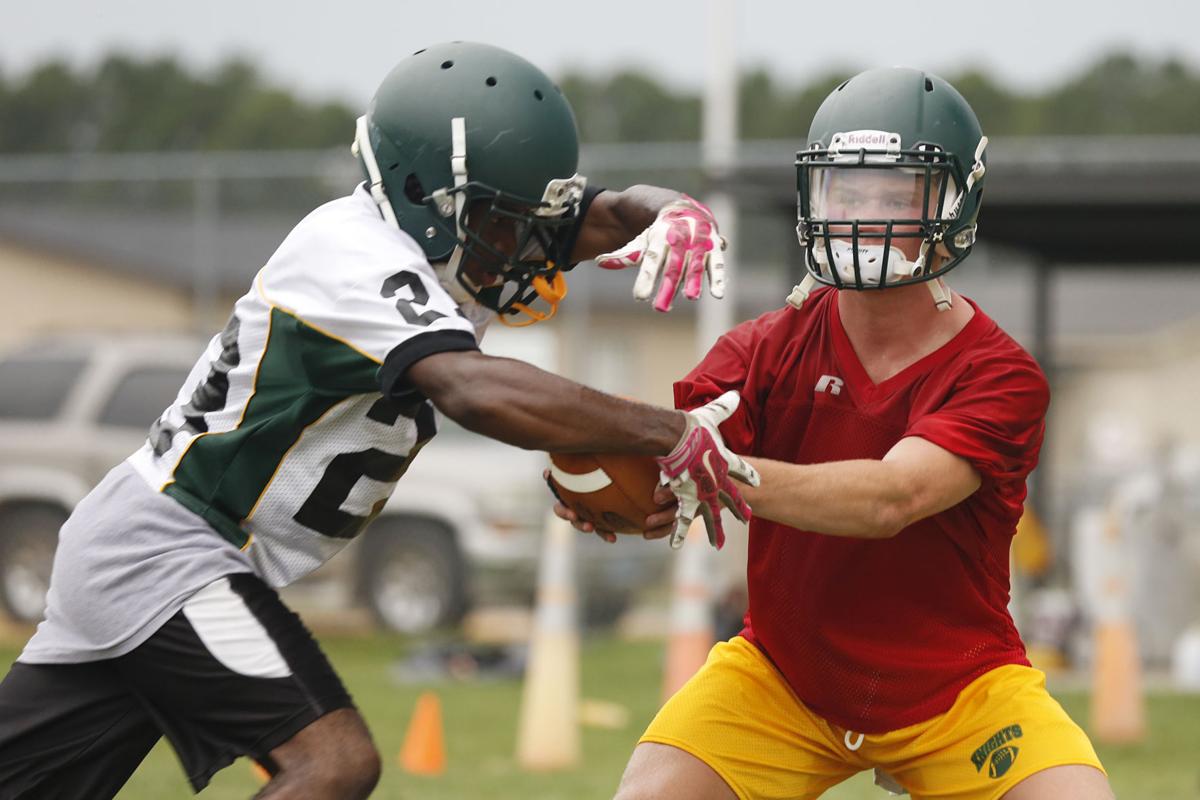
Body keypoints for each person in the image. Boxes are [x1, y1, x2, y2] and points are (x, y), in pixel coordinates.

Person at [0, 42, 758, 800]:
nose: (526, 248)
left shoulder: (459, 236)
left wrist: (672, 210)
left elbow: (605, 213)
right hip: (168, 551)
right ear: (425, 193)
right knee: (332, 764)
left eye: (533, 221)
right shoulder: (350, 252)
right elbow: (472, 390)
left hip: (157, 548)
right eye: (506, 222)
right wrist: (666, 430)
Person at [561, 67, 1115, 799]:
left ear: (954, 203)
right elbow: (673, 454)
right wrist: (619, 484)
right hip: (786, 676)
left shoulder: (1000, 371)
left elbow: (891, 497)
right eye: (847, 191)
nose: (865, 213)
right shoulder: (766, 345)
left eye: (896, 193)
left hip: (956, 688)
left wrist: (718, 468)